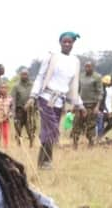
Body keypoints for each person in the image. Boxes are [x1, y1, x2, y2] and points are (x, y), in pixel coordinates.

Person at [28, 32, 83, 170]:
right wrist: (33, 96)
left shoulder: (75, 61)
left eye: (69, 42)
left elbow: (73, 85)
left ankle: (43, 162)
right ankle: (47, 162)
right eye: (64, 41)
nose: (67, 44)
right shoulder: (52, 57)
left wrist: (79, 104)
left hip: (60, 101)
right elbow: (40, 77)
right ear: (60, 42)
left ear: (73, 44)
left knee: (49, 131)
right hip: (46, 98)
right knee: (52, 129)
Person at [71, 61, 102, 148]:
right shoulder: (81, 76)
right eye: (86, 67)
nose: (87, 68)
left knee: (91, 125)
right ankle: (75, 143)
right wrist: (74, 105)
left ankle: (91, 143)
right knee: (76, 123)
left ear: (93, 67)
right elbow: (77, 91)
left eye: (89, 67)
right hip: (80, 105)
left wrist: (97, 106)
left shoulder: (97, 77)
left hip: (92, 105)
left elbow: (100, 93)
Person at [12, 67, 36, 147]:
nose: (24, 76)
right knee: (18, 128)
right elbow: (13, 100)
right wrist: (13, 112)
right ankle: (19, 144)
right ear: (20, 75)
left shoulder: (32, 85)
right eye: (22, 74)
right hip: (19, 110)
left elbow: (36, 97)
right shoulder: (16, 86)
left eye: (25, 74)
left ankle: (31, 144)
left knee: (30, 128)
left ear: (28, 75)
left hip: (30, 110)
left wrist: (38, 108)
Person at [97, 74, 112, 138]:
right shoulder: (102, 88)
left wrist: (108, 110)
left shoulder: (109, 88)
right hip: (100, 109)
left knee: (111, 123)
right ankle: (98, 137)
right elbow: (100, 100)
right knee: (100, 125)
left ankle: (101, 135)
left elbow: (107, 100)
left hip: (107, 108)